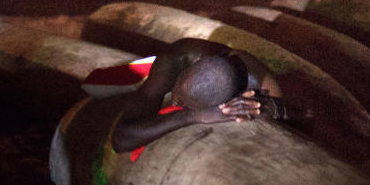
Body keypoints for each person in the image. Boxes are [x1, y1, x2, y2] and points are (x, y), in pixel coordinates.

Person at [110, 38, 291, 155]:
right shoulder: (179, 57)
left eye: (182, 103)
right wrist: (193, 115)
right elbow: (120, 140)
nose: (175, 102)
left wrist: (269, 107)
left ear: (224, 102)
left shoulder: (262, 87)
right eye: (177, 95)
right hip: (194, 56)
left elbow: (299, 119)